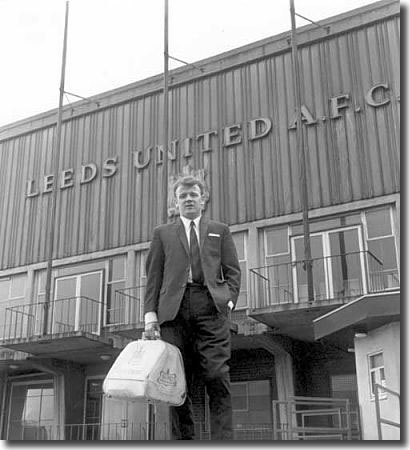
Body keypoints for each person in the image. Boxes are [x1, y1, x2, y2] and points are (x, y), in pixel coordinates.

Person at [144, 175, 241, 440]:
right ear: (176, 202)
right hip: (173, 312)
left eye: (193, 195)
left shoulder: (220, 230)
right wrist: (150, 316)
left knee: (216, 373)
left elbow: (233, 271)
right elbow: (153, 276)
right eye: (183, 196)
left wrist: (228, 300)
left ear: (203, 199)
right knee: (177, 380)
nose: (188, 199)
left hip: (211, 307)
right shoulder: (162, 234)